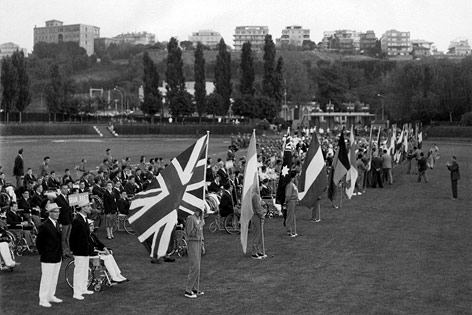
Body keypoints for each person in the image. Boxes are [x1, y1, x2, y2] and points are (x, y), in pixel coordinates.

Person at [36, 202, 63, 308]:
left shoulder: (56, 224)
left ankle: (51, 295)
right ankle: (43, 299)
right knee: (46, 279)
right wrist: (44, 253)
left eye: (58, 212)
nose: (58, 214)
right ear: (50, 213)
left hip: (57, 255)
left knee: (54, 278)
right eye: (55, 212)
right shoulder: (44, 226)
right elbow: (39, 242)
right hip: (48, 256)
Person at [69, 199, 94, 300]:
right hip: (79, 250)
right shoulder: (77, 220)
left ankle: (83, 288)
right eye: (88, 206)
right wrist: (74, 250)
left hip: (85, 249)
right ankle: (77, 292)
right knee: (79, 271)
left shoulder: (83, 219)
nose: (90, 208)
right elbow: (73, 237)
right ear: (83, 208)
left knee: (84, 270)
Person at [184, 208, 205, 299]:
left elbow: (201, 233)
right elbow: (190, 233)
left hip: (198, 242)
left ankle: (194, 287)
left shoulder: (199, 218)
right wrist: (199, 225)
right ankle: (188, 290)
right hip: (192, 242)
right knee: (195, 266)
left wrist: (202, 244)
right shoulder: (191, 218)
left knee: (198, 266)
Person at [55, 183, 73, 257]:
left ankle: (67, 250)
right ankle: (63, 252)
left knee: (68, 237)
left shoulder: (68, 198)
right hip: (63, 221)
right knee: (63, 237)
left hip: (69, 219)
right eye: (64, 189)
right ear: (61, 189)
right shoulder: (58, 199)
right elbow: (58, 212)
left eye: (67, 188)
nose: (66, 190)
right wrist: (59, 222)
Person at [249, 188, 266, 259]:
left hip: (257, 216)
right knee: (256, 234)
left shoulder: (256, 195)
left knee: (259, 234)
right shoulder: (255, 195)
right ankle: (254, 252)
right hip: (256, 216)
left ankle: (259, 250)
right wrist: (262, 215)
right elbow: (257, 207)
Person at [284, 171, 299, 237]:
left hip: (294, 201)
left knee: (292, 216)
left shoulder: (293, 184)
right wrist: (286, 202)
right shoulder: (290, 184)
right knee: (290, 216)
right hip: (291, 201)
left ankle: (291, 229)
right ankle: (289, 231)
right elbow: (288, 195)